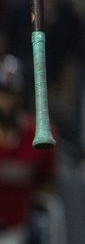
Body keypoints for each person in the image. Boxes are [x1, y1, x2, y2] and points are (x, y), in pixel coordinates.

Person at [0, 53, 58, 244]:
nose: (5, 101)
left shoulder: (38, 134)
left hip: (18, 228)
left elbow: (48, 186)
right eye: (1, 93)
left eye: (11, 94)